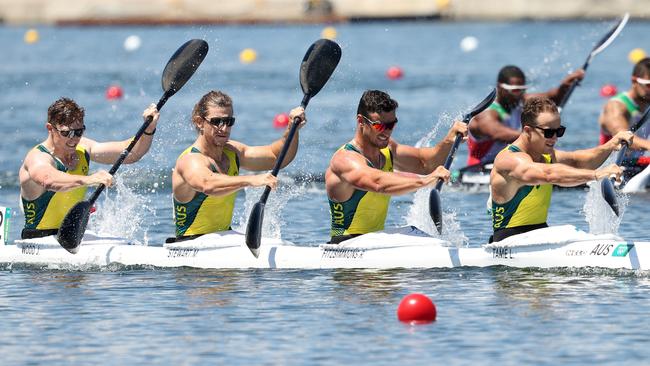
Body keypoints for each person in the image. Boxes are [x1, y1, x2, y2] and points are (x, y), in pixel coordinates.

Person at [325, 89, 468, 244]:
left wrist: (450, 139)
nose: (387, 132)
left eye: (391, 125)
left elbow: (425, 163)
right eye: (380, 126)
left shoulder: (388, 149)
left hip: (375, 241)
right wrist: (425, 180)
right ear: (361, 121)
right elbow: (378, 182)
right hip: (346, 245)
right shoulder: (345, 159)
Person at [489, 96, 633, 243]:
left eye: (559, 131)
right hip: (508, 241)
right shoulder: (509, 160)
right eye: (549, 133)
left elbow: (578, 161)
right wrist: (597, 174)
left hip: (540, 235)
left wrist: (611, 144)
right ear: (527, 131)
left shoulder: (546, 154)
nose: (554, 138)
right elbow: (548, 174)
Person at [171, 90, 306, 240]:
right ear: (199, 122)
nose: (223, 128)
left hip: (223, 237)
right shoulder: (190, 160)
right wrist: (251, 180)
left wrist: (292, 129)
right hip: (190, 242)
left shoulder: (232, 151)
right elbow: (207, 184)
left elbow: (276, 157)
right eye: (216, 122)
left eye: (228, 122)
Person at [19, 97, 160, 239]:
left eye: (79, 132)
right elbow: (49, 180)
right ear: (50, 128)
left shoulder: (83, 148)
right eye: (67, 133)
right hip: (39, 240)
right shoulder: (38, 157)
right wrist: (90, 179)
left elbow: (131, 153)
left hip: (73, 238)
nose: (74, 139)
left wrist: (149, 129)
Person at [467, 65, 585, 167]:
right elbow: (500, 133)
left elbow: (552, 98)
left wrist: (565, 86)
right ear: (500, 88)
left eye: (522, 90)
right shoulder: (486, 115)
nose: (519, 95)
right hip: (481, 168)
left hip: (513, 163)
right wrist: (541, 134)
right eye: (515, 90)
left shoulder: (521, 101)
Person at [598, 57, 650, 180]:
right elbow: (621, 136)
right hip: (614, 167)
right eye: (648, 85)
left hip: (640, 164)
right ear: (634, 81)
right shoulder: (616, 106)